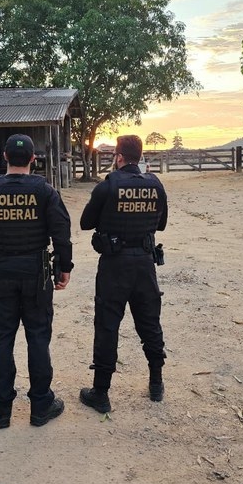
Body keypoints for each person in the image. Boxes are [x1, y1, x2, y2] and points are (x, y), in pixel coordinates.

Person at [0, 134, 73, 428]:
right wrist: (65, 268)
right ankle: (40, 405)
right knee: (38, 337)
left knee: (1, 339)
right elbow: (61, 232)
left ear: (5, 157)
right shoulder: (45, 191)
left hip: (1, 273)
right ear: (33, 160)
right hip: (37, 275)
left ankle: (1, 409)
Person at [79, 134, 168, 413]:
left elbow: (85, 223)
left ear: (118, 157)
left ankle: (101, 393)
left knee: (107, 326)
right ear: (139, 157)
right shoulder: (155, 185)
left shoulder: (109, 186)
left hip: (114, 266)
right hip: (144, 264)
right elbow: (162, 224)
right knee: (149, 324)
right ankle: (156, 383)